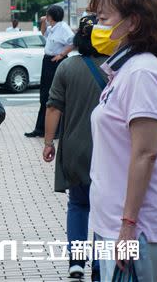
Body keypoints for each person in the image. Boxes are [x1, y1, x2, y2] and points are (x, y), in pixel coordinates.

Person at [86, 0, 157, 282]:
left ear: (132, 23)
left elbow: (145, 153)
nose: (97, 26)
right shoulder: (124, 71)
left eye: (103, 18)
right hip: (115, 224)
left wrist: (128, 225)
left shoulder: (142, 73)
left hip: (135, 229)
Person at [43, 15, 107, 280]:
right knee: (107, 209)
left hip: (75, 148)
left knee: (78, 205)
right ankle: (100, 264)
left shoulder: (67, 68)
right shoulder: (117, 68)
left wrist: (48, 143)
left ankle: (77, 262)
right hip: (109, 152)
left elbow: (54, 107)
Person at [26, 5, 74, 138]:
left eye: (46, 15)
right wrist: (42, 22)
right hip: (47, 61)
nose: (45, 17)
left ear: (51, 16)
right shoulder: (53, 28)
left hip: (56, 62)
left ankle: (56, 130)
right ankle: (40, 128)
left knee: (54, 95)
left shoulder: (63, 28)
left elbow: (73, 41)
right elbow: (44, 33)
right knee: (44, 96)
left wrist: (61, 55)